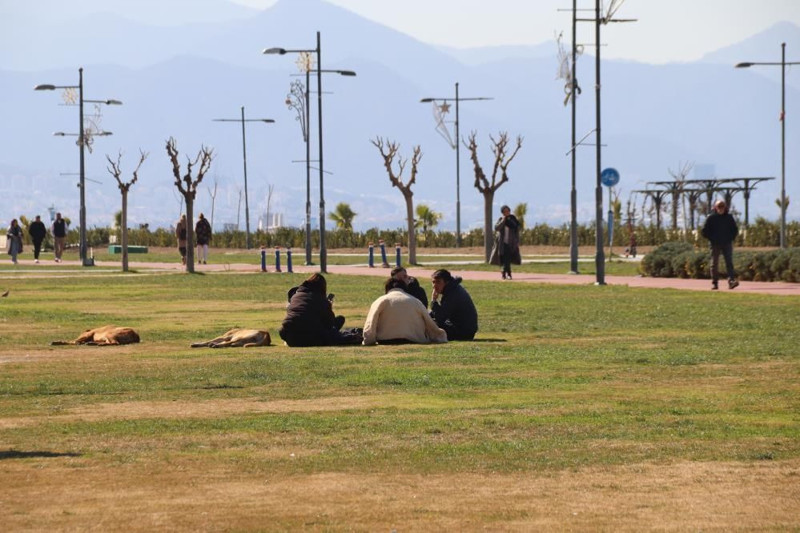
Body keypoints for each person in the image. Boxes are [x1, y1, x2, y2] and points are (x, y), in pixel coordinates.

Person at [279, 273, 362, 347]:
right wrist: (329, 306)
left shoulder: (295, 296)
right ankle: (352, 335)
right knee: (333, 332)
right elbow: (329, 324)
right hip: (311, 337)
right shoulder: (320, 299)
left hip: (290, 338)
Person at [362, 278, 447, 346]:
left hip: (385, 339)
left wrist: (368, 340)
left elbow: (371, 322)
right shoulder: (415, 301)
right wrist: (439, 335)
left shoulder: (380, 300)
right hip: (413, 339)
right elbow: (429, 322)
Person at [429, 269, 478, 341]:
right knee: (429, 320)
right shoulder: (452, 289)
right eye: (433, 282)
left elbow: (440, 317)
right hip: (464, 330)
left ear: (446, 282)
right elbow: (440, 313)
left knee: (430, 324)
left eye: (438, 282)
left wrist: (433, 301)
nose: (434, 286)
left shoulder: (453, 293)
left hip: (463, 332)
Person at [701, 199, 739, 290]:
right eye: (719, 207)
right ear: (715, 208)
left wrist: (731, 238)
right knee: (714, 263)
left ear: (725, 207)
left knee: (729, 262)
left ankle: (731, 281)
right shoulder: (711, 218)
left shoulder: (729, 217)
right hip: (715, 244)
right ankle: (715, 283)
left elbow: (734, 229)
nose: (721, 209)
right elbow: (704, 231)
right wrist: (712, 238)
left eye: (722, 207)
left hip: (727, 243)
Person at [489, 205, 521, 280]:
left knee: (508, 258)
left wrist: (517, 241)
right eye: (505, 211)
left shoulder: (513, 219)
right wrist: (503, 221)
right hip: (502, 243)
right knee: (504, 258)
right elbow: (497, 228)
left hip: (511, 242)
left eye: (507, 211)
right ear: (502, 213)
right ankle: (507, 273)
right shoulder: (501, 219)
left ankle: (505, 273)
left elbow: (516, 229)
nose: (506, 212)